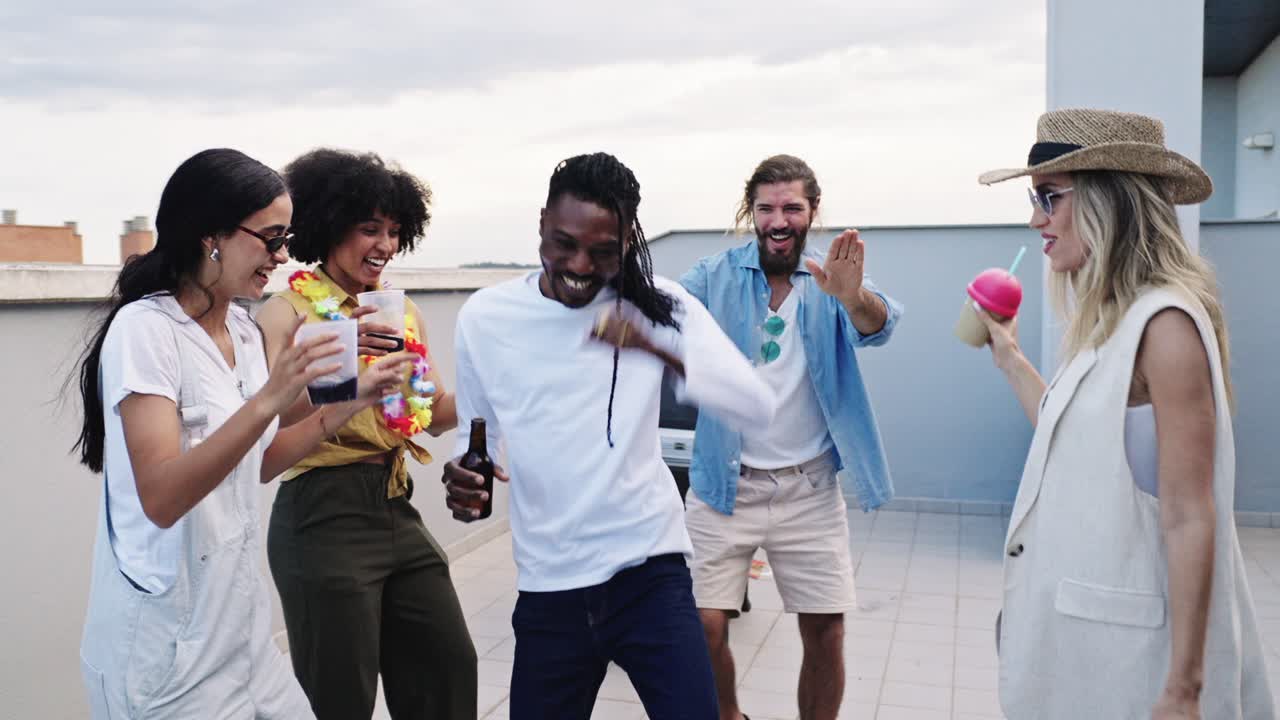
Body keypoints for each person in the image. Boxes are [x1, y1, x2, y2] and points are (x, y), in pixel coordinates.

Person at [441, 152, 776, 720]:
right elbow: (480, 434)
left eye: (602, 252)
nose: (578, 264)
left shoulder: (658, 306)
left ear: (627, 243)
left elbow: (756, 404)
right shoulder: (486, 317)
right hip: (551, 585)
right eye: (563, 243)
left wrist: (655, 348)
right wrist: (465, 476)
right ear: (542, 222)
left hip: (649, 571)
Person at [75, 148, 409, 719]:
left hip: (244, 638)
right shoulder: (146, 331)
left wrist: (350, 397)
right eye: (272, 238)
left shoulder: (242, 330)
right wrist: (267, 401)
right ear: (213, 235)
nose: (282, 257)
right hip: (166, 653)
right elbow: (160, 497)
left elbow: (255, 463)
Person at [975, 107, 1276, 719]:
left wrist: (1184, 689)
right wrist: (1008, 356)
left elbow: (1193, 515)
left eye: (1049, 197)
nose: (1037, 219)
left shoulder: (1164, 324)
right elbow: (1072, 441)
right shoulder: (1109, 318)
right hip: (1088, 650)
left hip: (1140, 669)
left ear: (1107, 202)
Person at [679, 154, 902, 720]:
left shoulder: (832, 277)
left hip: (809, 488)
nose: (779, 220)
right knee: (700, 627)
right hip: (722, 486)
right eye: (766, 208)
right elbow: (665, 307)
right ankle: (729, 715)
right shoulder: (717, 274)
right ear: (749, 212)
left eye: (792, 208)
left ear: (812, 212)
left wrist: (852, 297)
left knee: (826, 631)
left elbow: (879, 324)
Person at [256, 148, 474, 720]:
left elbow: (423, 412)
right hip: (321, 513)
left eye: (395, 232)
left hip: (395, 505)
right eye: (369, 229)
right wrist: (337, 366)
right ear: (329, 227)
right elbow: (265, 421)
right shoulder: (285, 313)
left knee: (448, 667)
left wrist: (493, 393)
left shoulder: (400, 315)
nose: (384, 245)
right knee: (339, 697)